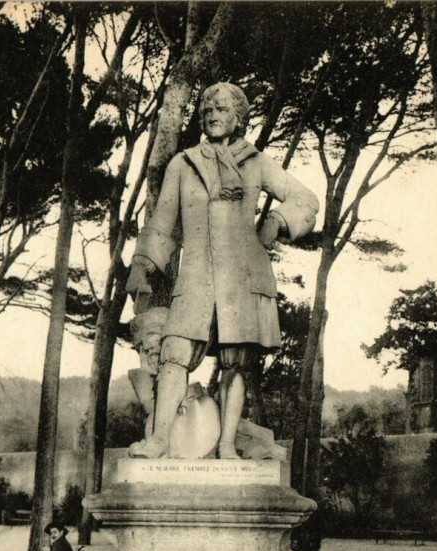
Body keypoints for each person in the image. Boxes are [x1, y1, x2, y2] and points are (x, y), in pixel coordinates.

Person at [126, 81, 319, 459]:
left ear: (239, 117)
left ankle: (228, 446)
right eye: (208, 110)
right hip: (195, 277)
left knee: (237, 363)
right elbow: (163, 222)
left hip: (244, 279)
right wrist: (143, 265)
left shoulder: (257, 162)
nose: (213, 116)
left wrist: (278, 220)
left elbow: (305, 198)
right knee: (174, 354)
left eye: (222, 110)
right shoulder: (183, 163)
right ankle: (160, 440)